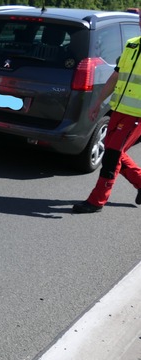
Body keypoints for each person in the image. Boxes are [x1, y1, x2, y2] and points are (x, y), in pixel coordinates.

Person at [73, 13, 141, 214]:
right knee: (113, 150)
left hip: (136, 116)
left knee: (112, 156)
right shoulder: (132, 45)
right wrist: (97, 103)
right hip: (118, 109)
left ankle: (96, 201)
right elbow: (116, 76)